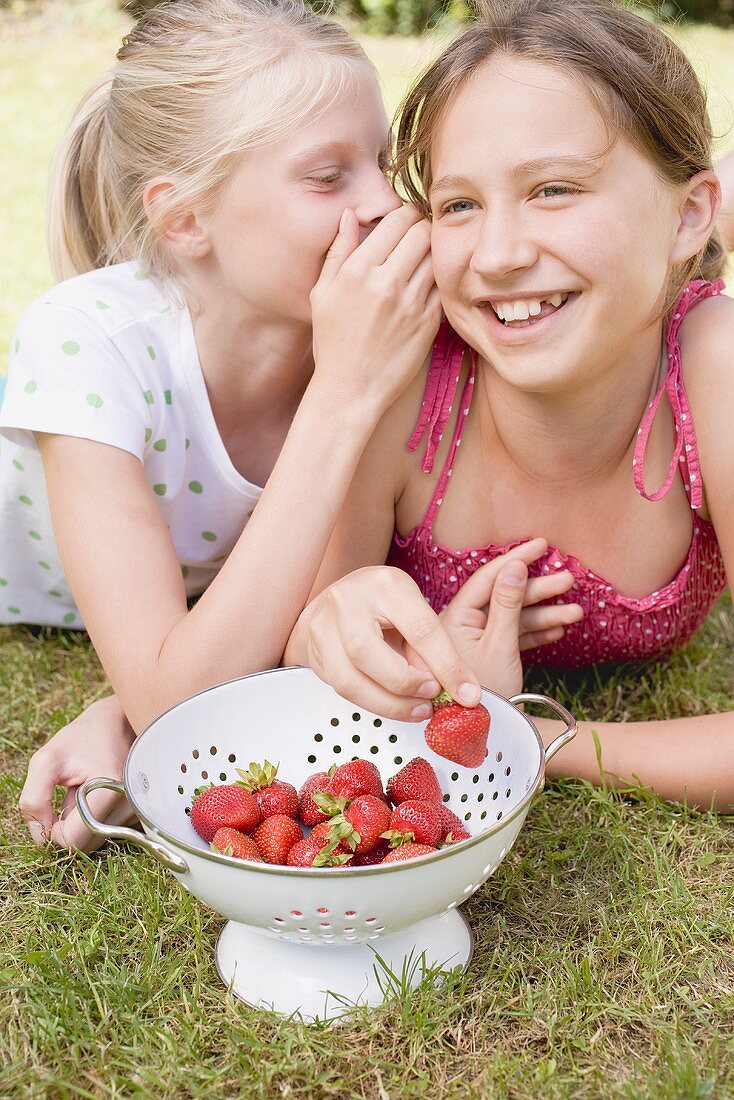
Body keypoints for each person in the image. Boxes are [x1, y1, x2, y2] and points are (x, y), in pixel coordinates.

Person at [13, 0, 573, 849]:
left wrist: (121, 708)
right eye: (326, 176)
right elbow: (180, 706)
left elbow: (300, 626)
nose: (387, 202)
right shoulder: (88, 344)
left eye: (385, 160)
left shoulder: (378, 320)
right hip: (41, 597)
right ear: (186, 219)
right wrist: (344, 390)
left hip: (215, 606)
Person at [286, 0, 734, 811]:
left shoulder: (714, 368)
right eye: (459, 204)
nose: (497, 255)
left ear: (690, 214)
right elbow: (300, 654)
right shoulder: (407, 382)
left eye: (554, 189)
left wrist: (522, 734)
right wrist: (334, 625)